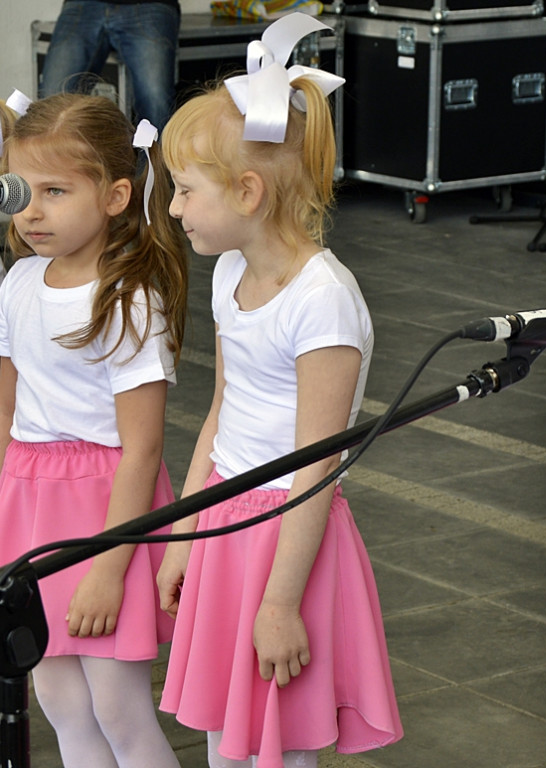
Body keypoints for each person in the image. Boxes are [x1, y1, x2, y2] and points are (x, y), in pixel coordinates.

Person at [155, 14, 402, 768]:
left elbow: (317, 463)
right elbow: (222, 414)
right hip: (225, 516)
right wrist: (181, 536)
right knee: (222, 741)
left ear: (249, 191)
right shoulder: (231, 273)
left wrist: (279, 601)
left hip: (286, 537)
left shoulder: (320, 299)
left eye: (186, 191)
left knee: (269, 746)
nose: (172, 209)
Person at [0, 93, 188, 767]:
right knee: (61, 708)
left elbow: (141, 449)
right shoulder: (17, 282)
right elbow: (6, 411)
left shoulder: (130, 298)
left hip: (105, 511)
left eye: (56, 191)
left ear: (113, 196)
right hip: (29, 506)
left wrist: (109, 569)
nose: (32, 211)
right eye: (23, 189)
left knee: (118, 711)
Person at [40, 0, 181, 129]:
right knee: (51, 98)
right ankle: (55, 156)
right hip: (83, 4)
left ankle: (155, 156)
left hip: (149, 4)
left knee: (156, 99)